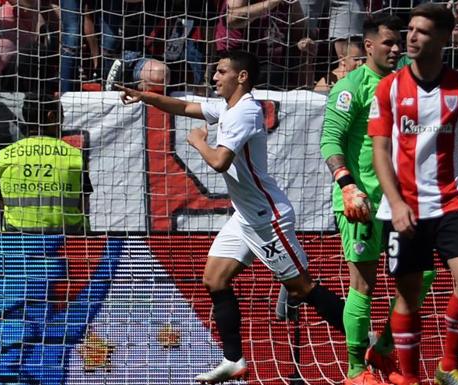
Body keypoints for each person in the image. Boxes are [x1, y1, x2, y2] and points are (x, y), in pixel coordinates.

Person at [116, 50, 345, 383]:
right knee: (215, 279)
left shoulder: (245, 112)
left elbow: (220, 161)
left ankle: (365, 342)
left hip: (268, 218)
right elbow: (182, 106)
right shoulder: (227, 108)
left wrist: (196, 142)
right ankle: (233, 360)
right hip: (244, 217)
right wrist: (143, 96)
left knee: (304, 288)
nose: (213, 78)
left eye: (221, 71)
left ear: (242, 77)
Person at [368, 3, 458, 385]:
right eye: (410, 29)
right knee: (407, 295)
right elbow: (380, 150)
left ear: (444, 37)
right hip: (403, 208)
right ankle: (408, 377)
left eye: (421, 31)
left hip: (450, 202)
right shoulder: (389, 87)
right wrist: (395, 203)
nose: (411, 36)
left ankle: (447, 366)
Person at [320, 14, 435, 385]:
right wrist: (347, 185)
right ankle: (355, 370)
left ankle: (383, 349)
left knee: (424, 275)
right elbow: (330, 141)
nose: (397, 48)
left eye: (398, 42)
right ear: (368, 46)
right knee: (363, 285)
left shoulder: (408, 81)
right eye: (388, 43)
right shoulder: (351, 87)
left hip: (401, 201)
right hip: (361, 202)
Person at [0, 93, 92, 234]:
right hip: (67, 242)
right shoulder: (74, 156)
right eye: (61, 117)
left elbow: (1, 202)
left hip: (16, 242)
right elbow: (83, 204)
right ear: (51, 117)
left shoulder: (5, 155)